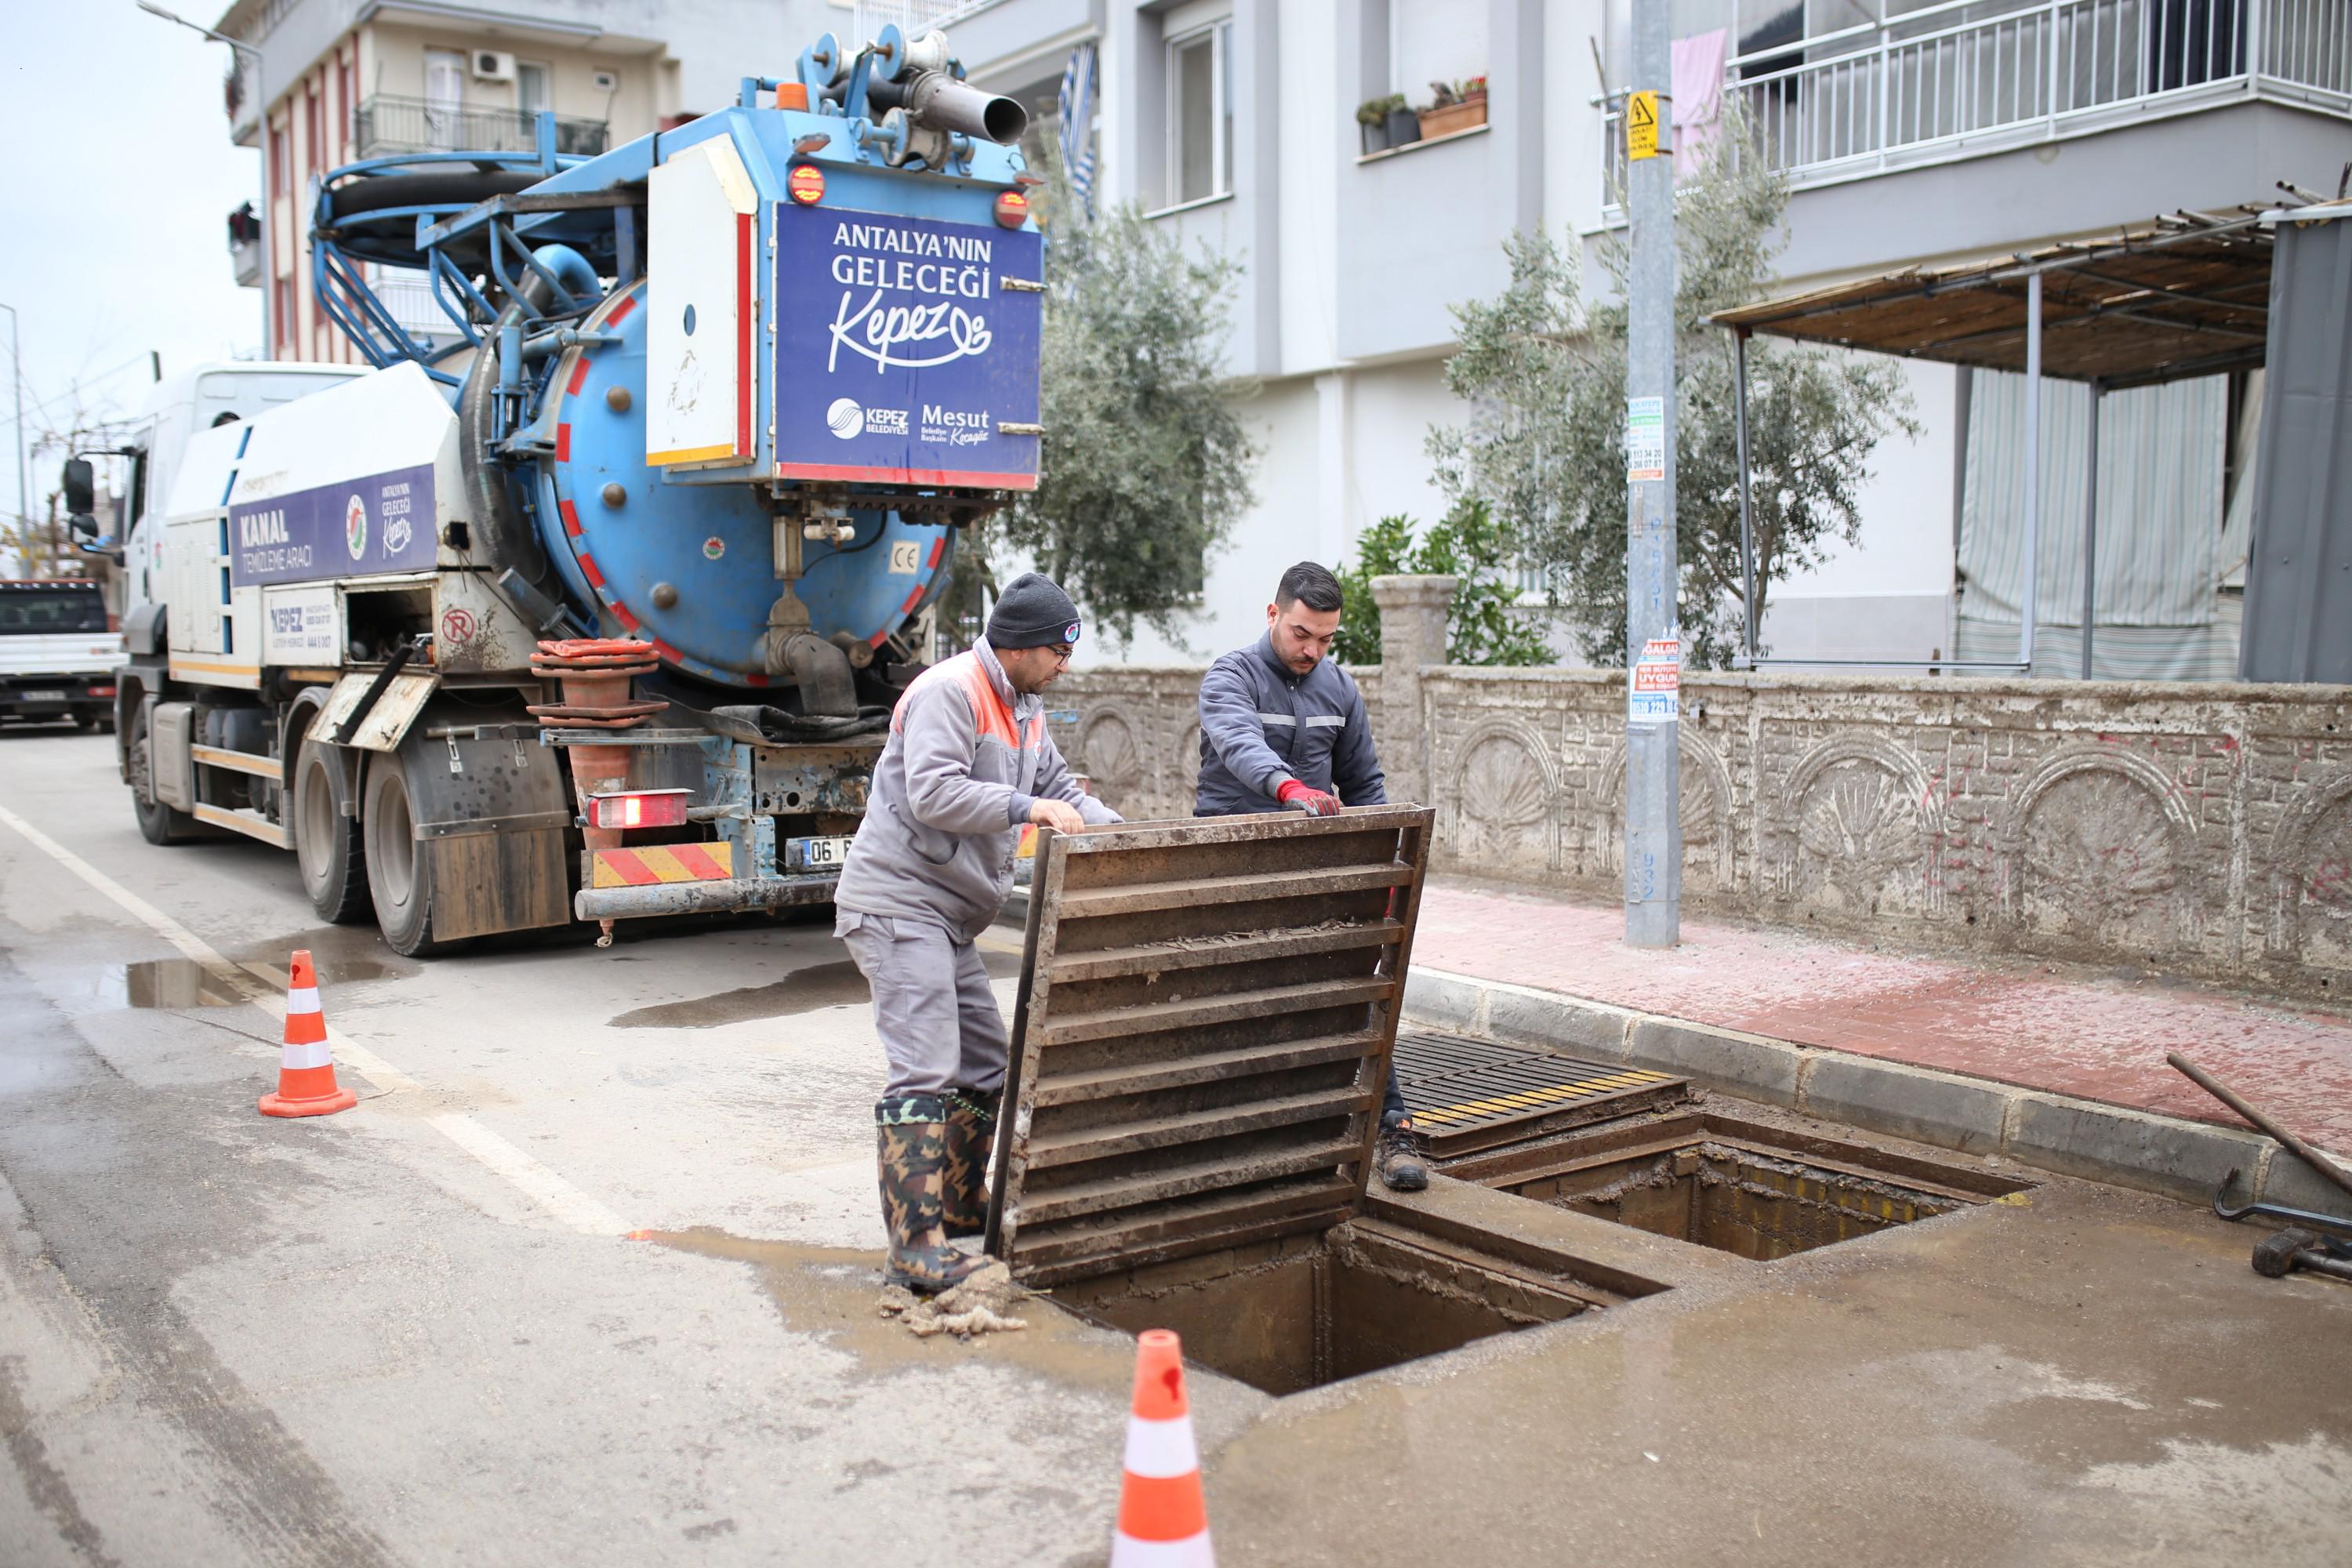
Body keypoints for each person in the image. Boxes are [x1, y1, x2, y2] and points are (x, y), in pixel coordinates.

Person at [834, 572, 1122, 1291]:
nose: (1065, 665)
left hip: (948, 918)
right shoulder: (950, 691)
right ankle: (913, 1245)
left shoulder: (1025, 707)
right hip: (899, 904)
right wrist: (1027, 809)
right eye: (1060, 651)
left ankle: (962, 1208)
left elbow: (1060, 788)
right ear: (1023, 646)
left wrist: (1129, 831)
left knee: (987, 1061)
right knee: (927, 1066)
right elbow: (932, 792)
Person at [1194, 561, 1428, 1192]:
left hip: (1316, 869)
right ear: (1273, 614)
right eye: (1302, 634)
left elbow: (1365, 784)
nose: (1312, 650)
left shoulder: (1339, 690)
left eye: (1325, 639)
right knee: (1238, 1006)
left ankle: (1392, 1130)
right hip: (1236, 866)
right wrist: (1290, 787)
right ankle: (1232, 1147)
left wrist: (1384, 864)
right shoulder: (1230, 677)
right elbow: (1240, 746)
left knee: (1353, 994)